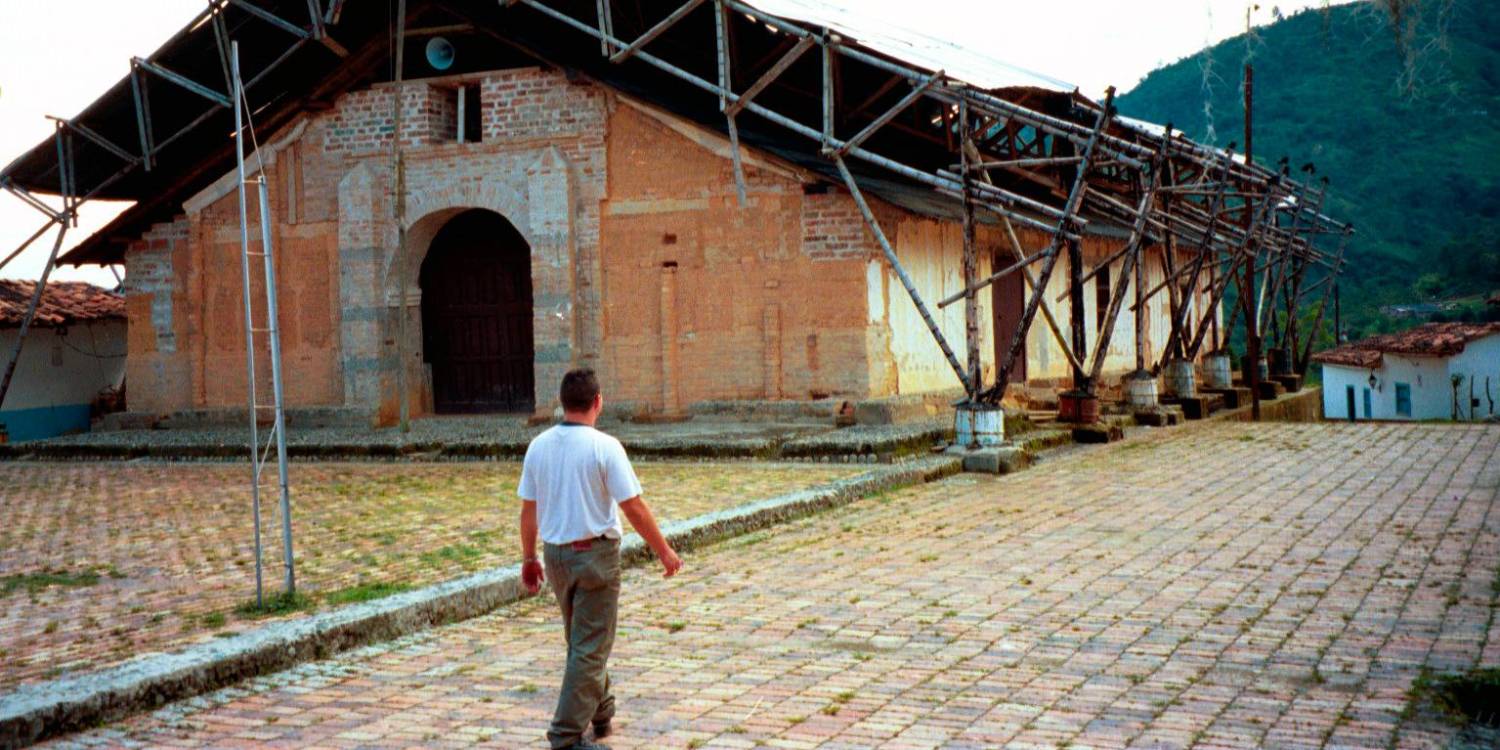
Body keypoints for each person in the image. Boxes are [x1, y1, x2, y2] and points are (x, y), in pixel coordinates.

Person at [518, 368, 684, 750]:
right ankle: (565, 736)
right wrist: (664, 551)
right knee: (590, 644)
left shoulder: (538, 446)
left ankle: (601, 707)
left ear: (562, 402)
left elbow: (529, 510)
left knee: (582, 639)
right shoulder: (605, 447)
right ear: (598, 402)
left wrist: (529, 557)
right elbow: (634, 506)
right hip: (595, 556)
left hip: (556, 556)